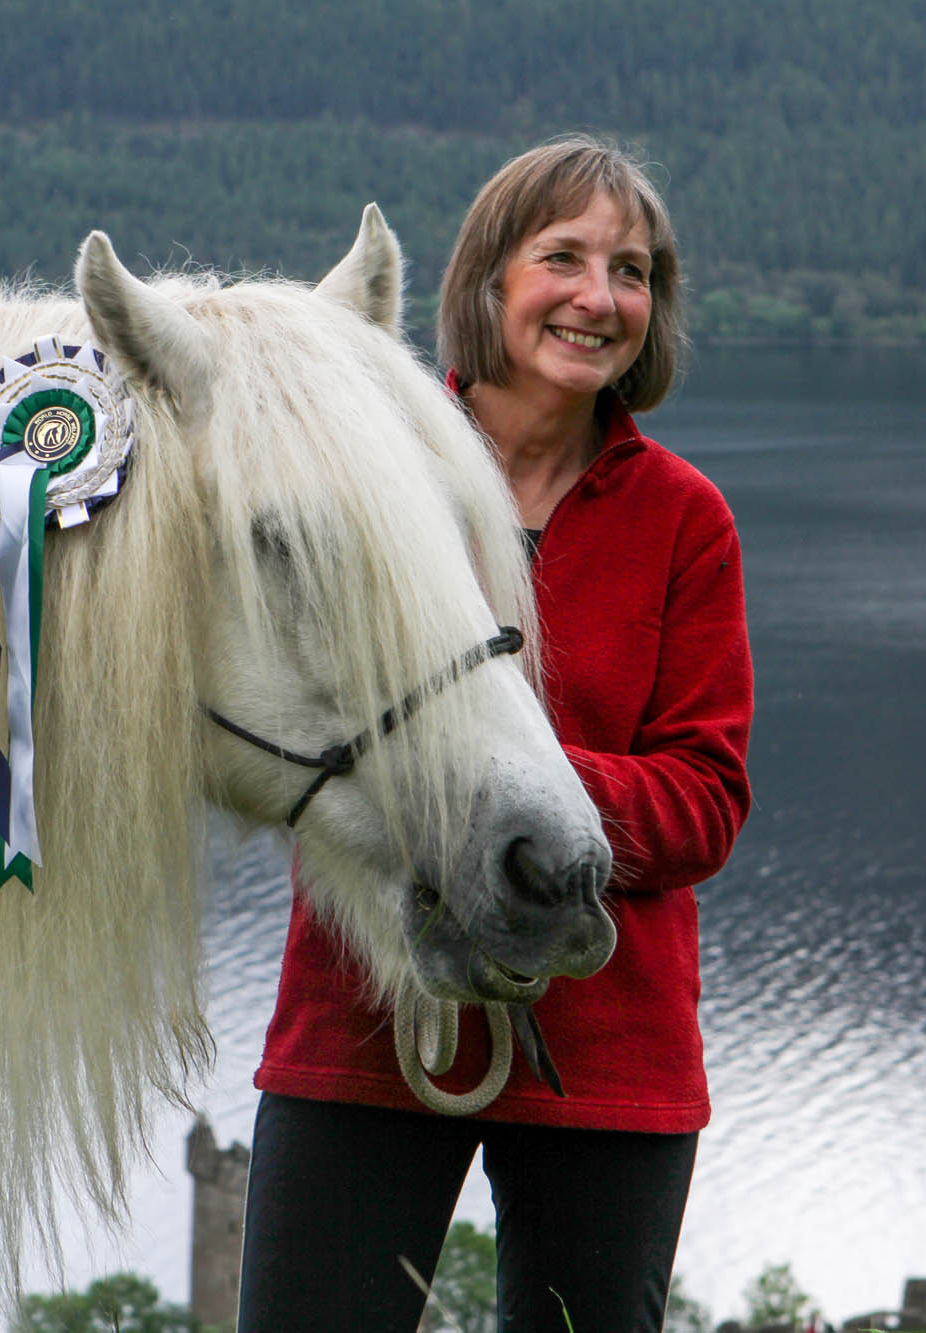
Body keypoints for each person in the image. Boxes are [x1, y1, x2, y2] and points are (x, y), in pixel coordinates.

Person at [236, 136, 754, 1332]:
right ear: (485, 280)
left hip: (609, 1059)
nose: (596, 297)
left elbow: (706, 797)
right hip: (364, 1025)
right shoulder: (366, 476)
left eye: (630, 272)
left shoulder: (685, 521)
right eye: (560, 258)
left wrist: (508, 793)